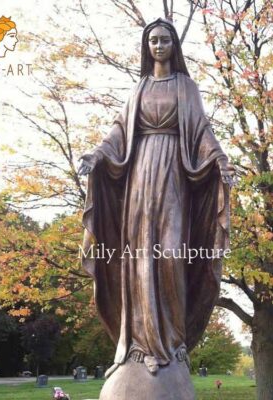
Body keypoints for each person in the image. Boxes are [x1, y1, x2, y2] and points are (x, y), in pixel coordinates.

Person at [79, 18, 234, 377]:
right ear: (147, 47)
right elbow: (118, 133)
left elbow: (202, 130)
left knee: (170, 255)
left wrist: (220, 160)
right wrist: (98, 156)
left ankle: (173, 343)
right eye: (154, 41)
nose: (159, 46)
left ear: (174, 45)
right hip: (139, 178)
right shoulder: (139, 88)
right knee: (139, 258)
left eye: (165, 40)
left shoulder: (185, 86)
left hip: (174, 178)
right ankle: (140, 343)